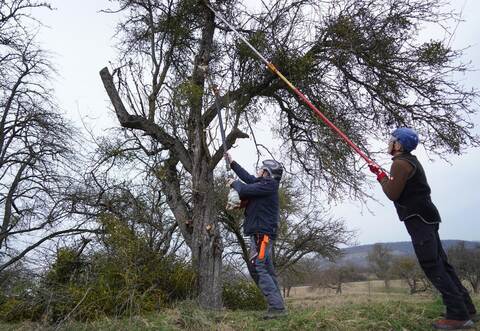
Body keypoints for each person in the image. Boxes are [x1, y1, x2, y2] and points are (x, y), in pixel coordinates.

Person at [369, 127, 477, 330]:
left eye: (392, 139)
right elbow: (400, 187)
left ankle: (458, 315)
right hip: (427, 218)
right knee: (443, 265)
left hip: (419, 221)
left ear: (399, 145)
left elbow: (393, 194)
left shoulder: (400, 164)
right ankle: (467, 309)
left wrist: (381, 178)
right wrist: (383, 175)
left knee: (433, 266)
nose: (389, 142)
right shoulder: (409, 161)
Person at [224, 153, 287, 319]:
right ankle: (278, 306)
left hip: (262, 235)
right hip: (259, 234)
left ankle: (277, 308)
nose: (258, 171)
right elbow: (248, 178)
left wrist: (234, 183)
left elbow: (244, 188)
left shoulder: (269, 186)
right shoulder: (263, 184)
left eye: (261, 169)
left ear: (267, 173)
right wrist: (233, 163)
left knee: (258, 266)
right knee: (266, 268)